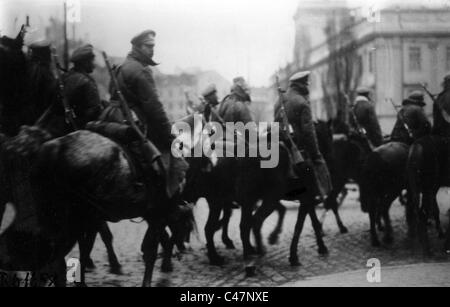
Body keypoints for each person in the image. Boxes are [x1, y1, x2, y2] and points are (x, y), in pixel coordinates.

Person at [112, 30, 187, 198]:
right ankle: (167, 203)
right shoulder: (141, 70)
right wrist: (171, 136)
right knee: (172, 159)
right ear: (137, 46)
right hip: (140, 126)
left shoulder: (120, 68)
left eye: (153, 46)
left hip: (119, 122)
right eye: (148, 46)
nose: (152, 50)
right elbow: (155, 109)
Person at [274, 71, 332, 199]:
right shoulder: (302, 103)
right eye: (307, 84)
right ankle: (320, 193)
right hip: (298, 146)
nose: (308, 86)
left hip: (280, 143)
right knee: (318, 161)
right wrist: (315, 152)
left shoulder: (279, 100)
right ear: (302, 85)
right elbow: (309, 133)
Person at [64, 44, 103, 129]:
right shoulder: (87, 82)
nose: (94, 65)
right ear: (85, 63)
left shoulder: (66, 76)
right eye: (92, 61)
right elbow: (95, 111)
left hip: (66, 123)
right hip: (81, 126)